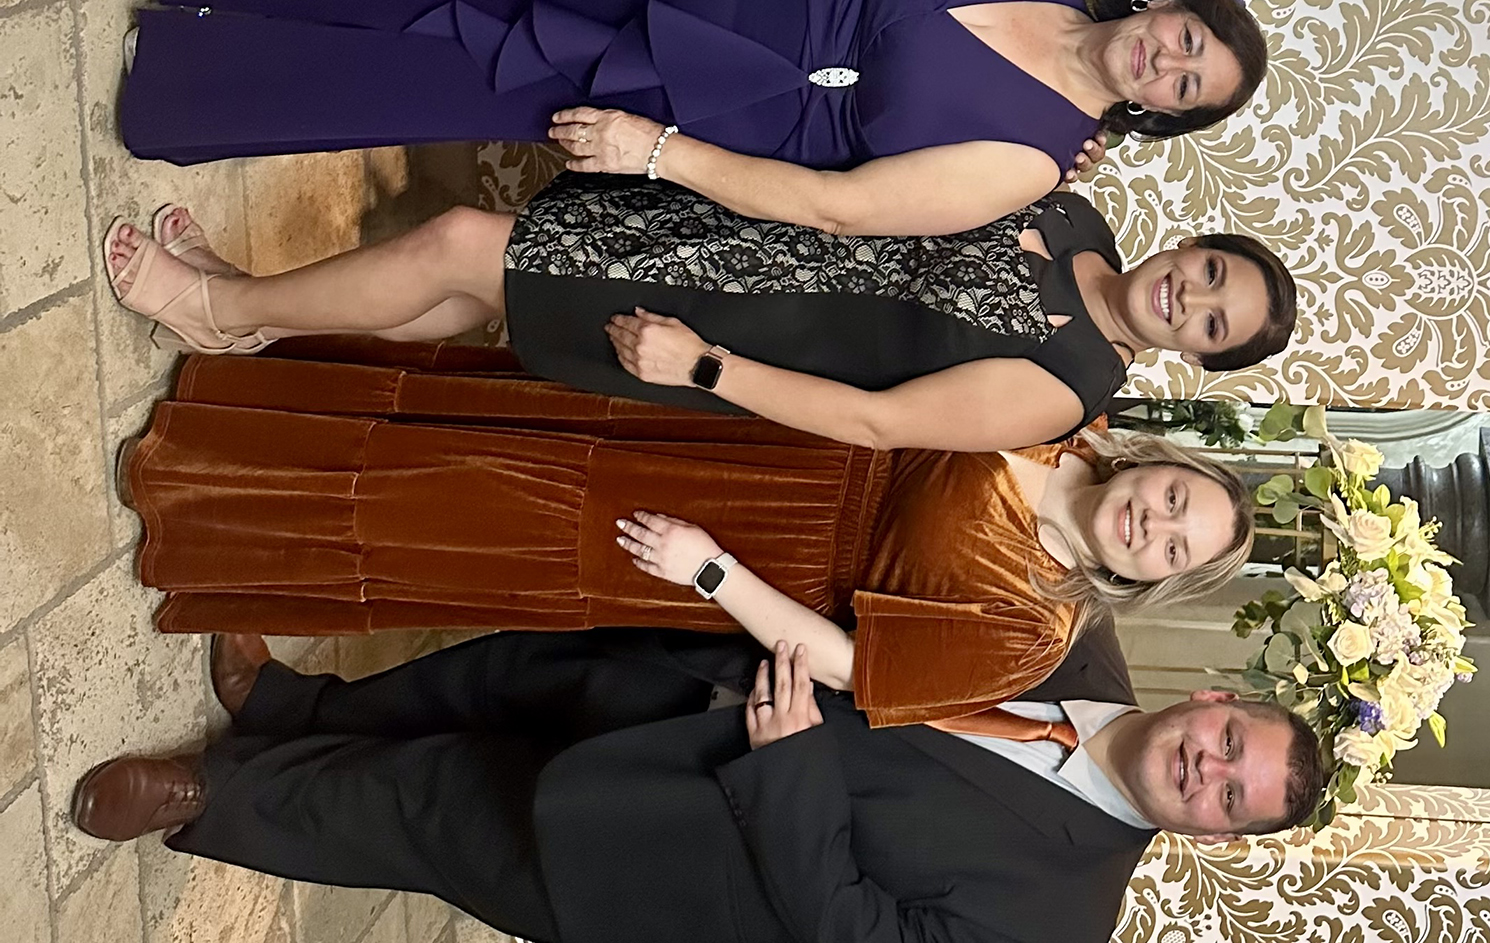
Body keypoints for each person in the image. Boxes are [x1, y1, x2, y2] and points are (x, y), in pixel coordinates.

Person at [109, 244, 1255, 666]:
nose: (1153, 523)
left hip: (726, 539)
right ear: (1163, 463)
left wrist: (712, 572)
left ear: (1158, 580)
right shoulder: (1065, 423)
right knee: (480, 407)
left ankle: (211, 498)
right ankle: (244, 357)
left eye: (1173, 547)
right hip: (737, 420)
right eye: (1175, 500)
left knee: (458, 504)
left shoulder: (1037, 627)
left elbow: (849, 663)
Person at [70, 627, 1327, 943]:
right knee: (478, 682)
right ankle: (291, 704)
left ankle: (212, 796)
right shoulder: (1061, 634)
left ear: (1218, 836)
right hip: (677, 683)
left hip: (659, 858)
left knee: (426, 810)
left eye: (1231, 797)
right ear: (1216, 697)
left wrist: (792, 770)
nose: (1206, 769)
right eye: (1231, 743)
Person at [107, 0, 1266, 227]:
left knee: (461, 74)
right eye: (1188, 42)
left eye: (1184, 88)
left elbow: (837, 207)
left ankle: (186, 77)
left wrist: (655, 150)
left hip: (709, 89)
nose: (1166, 63)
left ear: (1161, 115)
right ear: (1170, 1)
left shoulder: (1032, 158)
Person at [104, 182, 1297, 449]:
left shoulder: (1070, 383)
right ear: (1194, 244)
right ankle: (258, 313)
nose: (1187, 297)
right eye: (1210, 274)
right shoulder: (1078, 217)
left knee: (466, 246)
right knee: (473, 289)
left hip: (731, 329)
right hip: (725, 234)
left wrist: (707, 368)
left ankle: (224, 307)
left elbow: (880, 423)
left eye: (1210, 324)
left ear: (1194, 361)